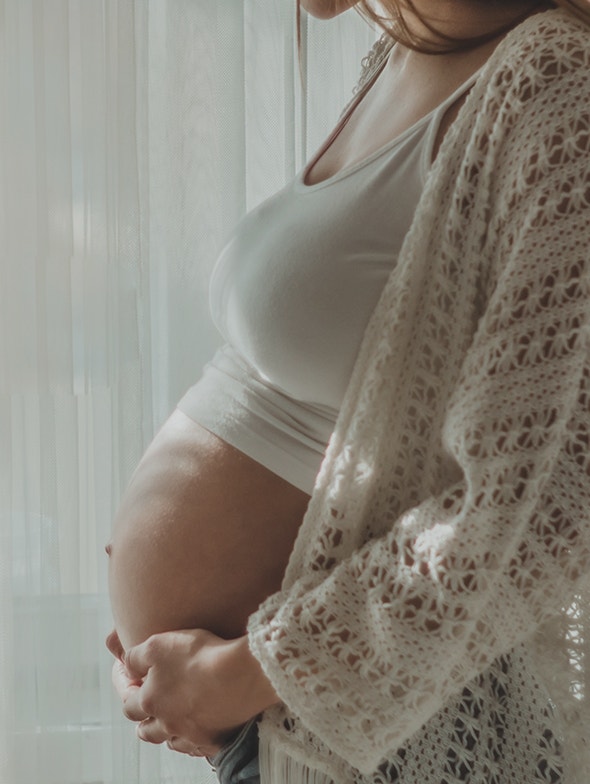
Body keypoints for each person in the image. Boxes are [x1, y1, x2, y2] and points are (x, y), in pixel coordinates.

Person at [106, 1, 590, 783]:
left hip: (393, 741)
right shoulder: (397, 58)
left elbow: (542, 513)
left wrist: (238, 675)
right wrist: (164, 655)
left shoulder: (558, 89)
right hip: (274, 724)